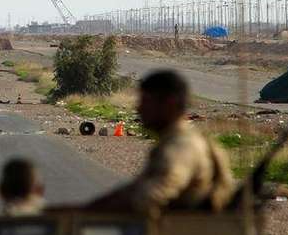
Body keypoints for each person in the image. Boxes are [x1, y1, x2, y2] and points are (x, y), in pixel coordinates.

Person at [88, 70, 233, 214]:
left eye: (145, 102)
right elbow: (134, 189)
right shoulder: (174, 140)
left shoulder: (181, 146)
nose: (139, 109)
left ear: (169, 104)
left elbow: (155, 193)